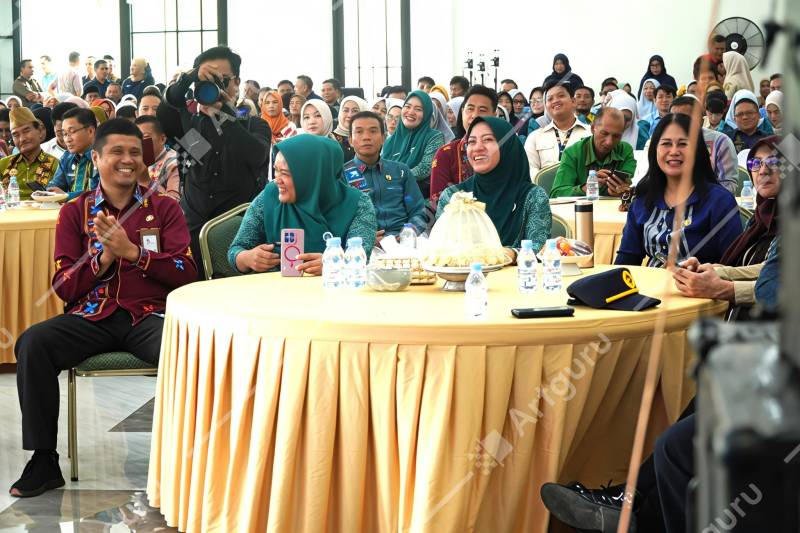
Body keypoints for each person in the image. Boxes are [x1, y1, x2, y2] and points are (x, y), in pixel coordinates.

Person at [9, 119, 196, 499]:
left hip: (149, 315)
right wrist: (103, 258)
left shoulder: (164, 208)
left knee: (190, 348)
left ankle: (190, 457)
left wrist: (135, 253)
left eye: (134, 152)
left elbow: (187, 273)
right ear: (96, 158)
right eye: (117, 152)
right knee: (33, 343)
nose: (127, 160)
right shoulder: (74, 212)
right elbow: (63, 286)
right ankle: (43, 460)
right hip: (91, 316)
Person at [158, 45, 271, 279]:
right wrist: (189, 77)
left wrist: (225, 115)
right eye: (208, 80)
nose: (215, 85)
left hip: (240, 234)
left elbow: (256, 155)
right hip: (192, 232)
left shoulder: (252, 124)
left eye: (222, 80)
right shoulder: (192, 125)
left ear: (237, 82)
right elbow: (165, 113)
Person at [229, 135, 377, 274]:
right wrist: (246, 258)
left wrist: (336, 264)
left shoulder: (358, 204)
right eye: (276, 170)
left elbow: (360, 256)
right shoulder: (269, 197)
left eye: (285, 173)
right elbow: (236, 250)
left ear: (313, 175)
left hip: (334, 288)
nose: (277, 180)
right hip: (277, 289)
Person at [615, 113, 742, 267]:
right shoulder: (643, 200)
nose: (674, 151)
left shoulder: (719, 201)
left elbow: (734, 265)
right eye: (666, 143)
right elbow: (626, 262)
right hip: (651, 281)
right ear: (655, 150)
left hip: (702, 282)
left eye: (683, 144)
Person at [436, 116, 552, 257]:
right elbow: (440, 248)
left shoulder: (533, 196)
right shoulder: (452, 196)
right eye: (471, 142)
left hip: (517, 270)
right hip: (464, 270)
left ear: (507, 145)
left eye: (488, 140)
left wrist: (511, 254)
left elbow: (539, 248)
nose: (477, 148)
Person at [345, 111, 426, 236]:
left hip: (403, 239)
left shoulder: (401, 171)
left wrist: (408, 233)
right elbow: (339, 220)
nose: (366, 137)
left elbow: (418, 210)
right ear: (350, 140)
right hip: (361, 242)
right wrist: (366, 238)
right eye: (359, 131)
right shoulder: (342, 175)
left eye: (373, 131)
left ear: (383, 138)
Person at [430, 85, 497, 205]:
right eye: (470, 109)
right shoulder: (446, 153)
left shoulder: (504, 149)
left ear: (494, 115)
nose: (474, 115)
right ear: (462, 112)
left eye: (482, 110)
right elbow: (437, 201)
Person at [550, 108, 635, 198]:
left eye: (616, 136)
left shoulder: (625, 151)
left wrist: (621, 192)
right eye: (604, 133)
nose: (609, 142)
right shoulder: (573, 153)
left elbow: (628, 188)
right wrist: (586, 188)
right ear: (592, 128)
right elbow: (556, 194)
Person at [381, 90, 446, 199]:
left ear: (426, 114)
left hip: (417, 198)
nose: (411, 112)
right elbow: (381, 168)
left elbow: (425, 168)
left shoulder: (434, 137)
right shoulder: (390, 141)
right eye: (407, 106)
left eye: (418, 109)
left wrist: (395, 178)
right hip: (387, 195)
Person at [669, 96, 739, 195]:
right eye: (674, 119)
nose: (679, 124)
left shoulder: (720, 142)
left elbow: (728, 184)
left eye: (686, 119)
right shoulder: (664, 145)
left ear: (701, 121)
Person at [524, 81, 591, 178]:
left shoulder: (590, 133)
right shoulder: (535, 137)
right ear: (546, 106)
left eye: (561, 96)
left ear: (573, 101)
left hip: (582, 186)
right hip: (544, 187)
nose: (555, 101)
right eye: (550, 99)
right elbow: (531, 169)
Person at [0, 108, 60, 199]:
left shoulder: (56, 165)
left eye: (26, 131)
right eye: (16, 135)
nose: (22, 139)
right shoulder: (3, 164)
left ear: (40, 131)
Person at [47, 108, 99, 199]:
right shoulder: (67, 157)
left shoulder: (103, 156)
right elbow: (56, 185)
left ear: (90, 131)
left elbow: (100, 193)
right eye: (64, 134)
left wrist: (67, 196)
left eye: (72, 132)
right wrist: (48, 191)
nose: (67, 139)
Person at [134, 115, 180, 200]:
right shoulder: (134, 160)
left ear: (162, 139)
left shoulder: (173, 163)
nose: (139, 142)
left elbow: (174, 201)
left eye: (145, 137)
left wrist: (148, 182)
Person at [332, 95, 369, 161]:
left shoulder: (369, 138)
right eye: (345, 110)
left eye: (355, 111)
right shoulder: (330, 138)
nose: (349, 115)